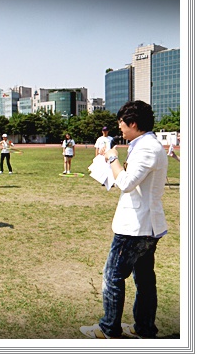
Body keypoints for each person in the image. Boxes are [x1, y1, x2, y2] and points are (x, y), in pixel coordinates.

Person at [80, 100, 168, 339]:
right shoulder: (145, 145)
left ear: (133, 123)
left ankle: (109, 329)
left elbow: (127, 183)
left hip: (135, 226)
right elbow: (129, 179)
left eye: (121, 123)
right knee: (144, 279)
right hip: (145, 224)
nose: (119, 127)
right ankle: (143, 327)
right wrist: (108, 163)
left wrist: (112, 159)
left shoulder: (147, 147)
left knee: (113, 276)